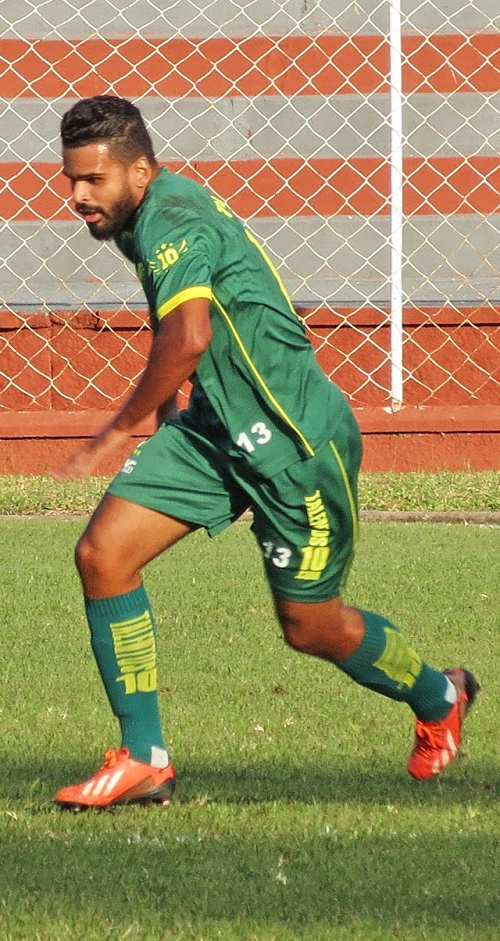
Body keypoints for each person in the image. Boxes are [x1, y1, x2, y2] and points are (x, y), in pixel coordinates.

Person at [48, 95, 477, 809]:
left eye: (93, 180)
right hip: (218, 429)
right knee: (103, 554)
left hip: (296, 446)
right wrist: (167, 419)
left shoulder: (170, 222)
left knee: (311, 625)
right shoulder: (137, 219)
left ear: (142, 173)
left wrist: (120, 429)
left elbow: (186, 339)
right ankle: (145, 758)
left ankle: (440, 692)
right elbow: (184, 328)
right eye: (71, 179)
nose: (78, 196)